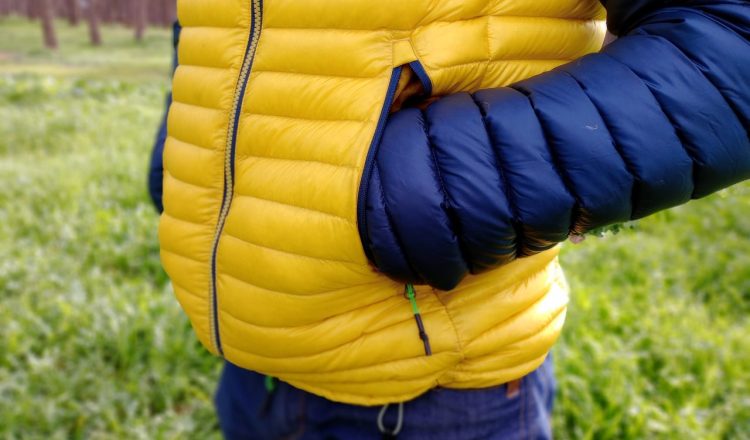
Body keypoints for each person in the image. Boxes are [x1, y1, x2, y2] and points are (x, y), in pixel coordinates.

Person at [149, 1, 750, 438]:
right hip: (250, 368)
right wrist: (181, 144)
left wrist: (427, 192)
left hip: (433, 394)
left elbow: (732, 28)